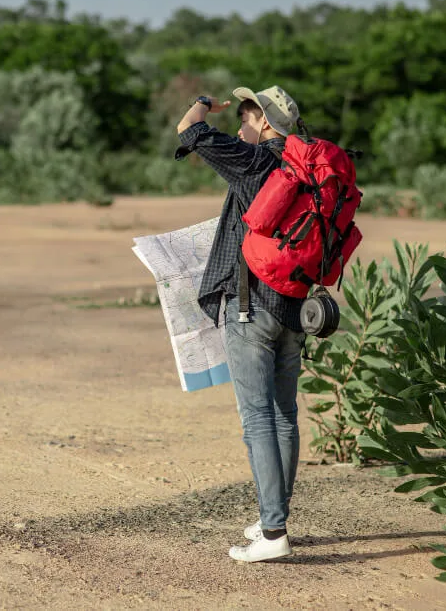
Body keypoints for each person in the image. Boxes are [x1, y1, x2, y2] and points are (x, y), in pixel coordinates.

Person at [174, 85, 305, 563]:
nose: (238, 127)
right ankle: (275, 517)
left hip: (252, 307)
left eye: (246, 117)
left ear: (265, 123)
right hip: (293, 307)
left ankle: (274, 533)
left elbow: (188, 130)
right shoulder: (300, 165)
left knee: (257, 419)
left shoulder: (255, 161)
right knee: (284, 415)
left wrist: (205, 100)